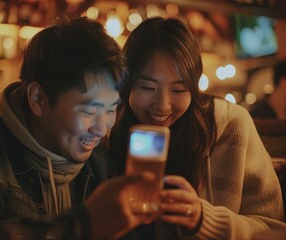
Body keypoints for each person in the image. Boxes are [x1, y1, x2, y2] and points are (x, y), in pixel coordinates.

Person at [0, 17, 157, 240]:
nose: (102, 128)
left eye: (111, 109)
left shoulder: (102, 164)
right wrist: (83, 225)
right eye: (88, 111)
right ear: (38, 99)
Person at [110, 17, 286, 239]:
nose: (163, 105)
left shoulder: (231, 125)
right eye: (147, 87)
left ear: (194, 88)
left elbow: (275, 230)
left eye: (179, 90)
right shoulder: (107, 127)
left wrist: (204, 220)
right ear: (126, 85)